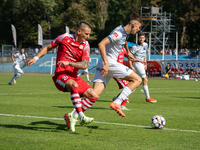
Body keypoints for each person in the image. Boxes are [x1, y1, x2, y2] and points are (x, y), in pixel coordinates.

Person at [28, 22, 99, 132]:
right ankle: (81, 116)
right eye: (86, 34)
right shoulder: (64, 37)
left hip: (74, 76)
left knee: (93, 95)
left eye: (89, 34)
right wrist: (36, 58)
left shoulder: (85, 45)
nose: (88, 37)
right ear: (79, 31)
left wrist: (69, 63)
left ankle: (72, 116)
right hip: (60, 75)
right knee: (74, 85)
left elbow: (84, 64)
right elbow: (48, 48)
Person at [92, 12, 148, 118]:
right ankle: (117, 102)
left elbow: (123, 41)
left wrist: (129, 53)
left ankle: (74, 114)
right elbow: (101, 44)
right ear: (134, 24)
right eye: (139, 27)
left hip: (104, 63)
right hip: (109, 63)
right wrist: (107, 63)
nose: (139, 30)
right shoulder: (119, 33)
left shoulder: (124, 32)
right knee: (137, 80)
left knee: (94, 95)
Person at [129, 33, 157, 103]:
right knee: (145, 80)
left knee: (137, 82)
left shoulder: (145, 45)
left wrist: (145, 63)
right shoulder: (135, 47)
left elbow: (145, 53)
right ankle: (148, 97)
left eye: (143, 38)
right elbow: (129, 57)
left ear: (144, 38)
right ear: (138, 38)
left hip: (142, 64)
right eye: (140, 38)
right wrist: (131, 66)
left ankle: (123, 96)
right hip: (137, 63)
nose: (141, 39)